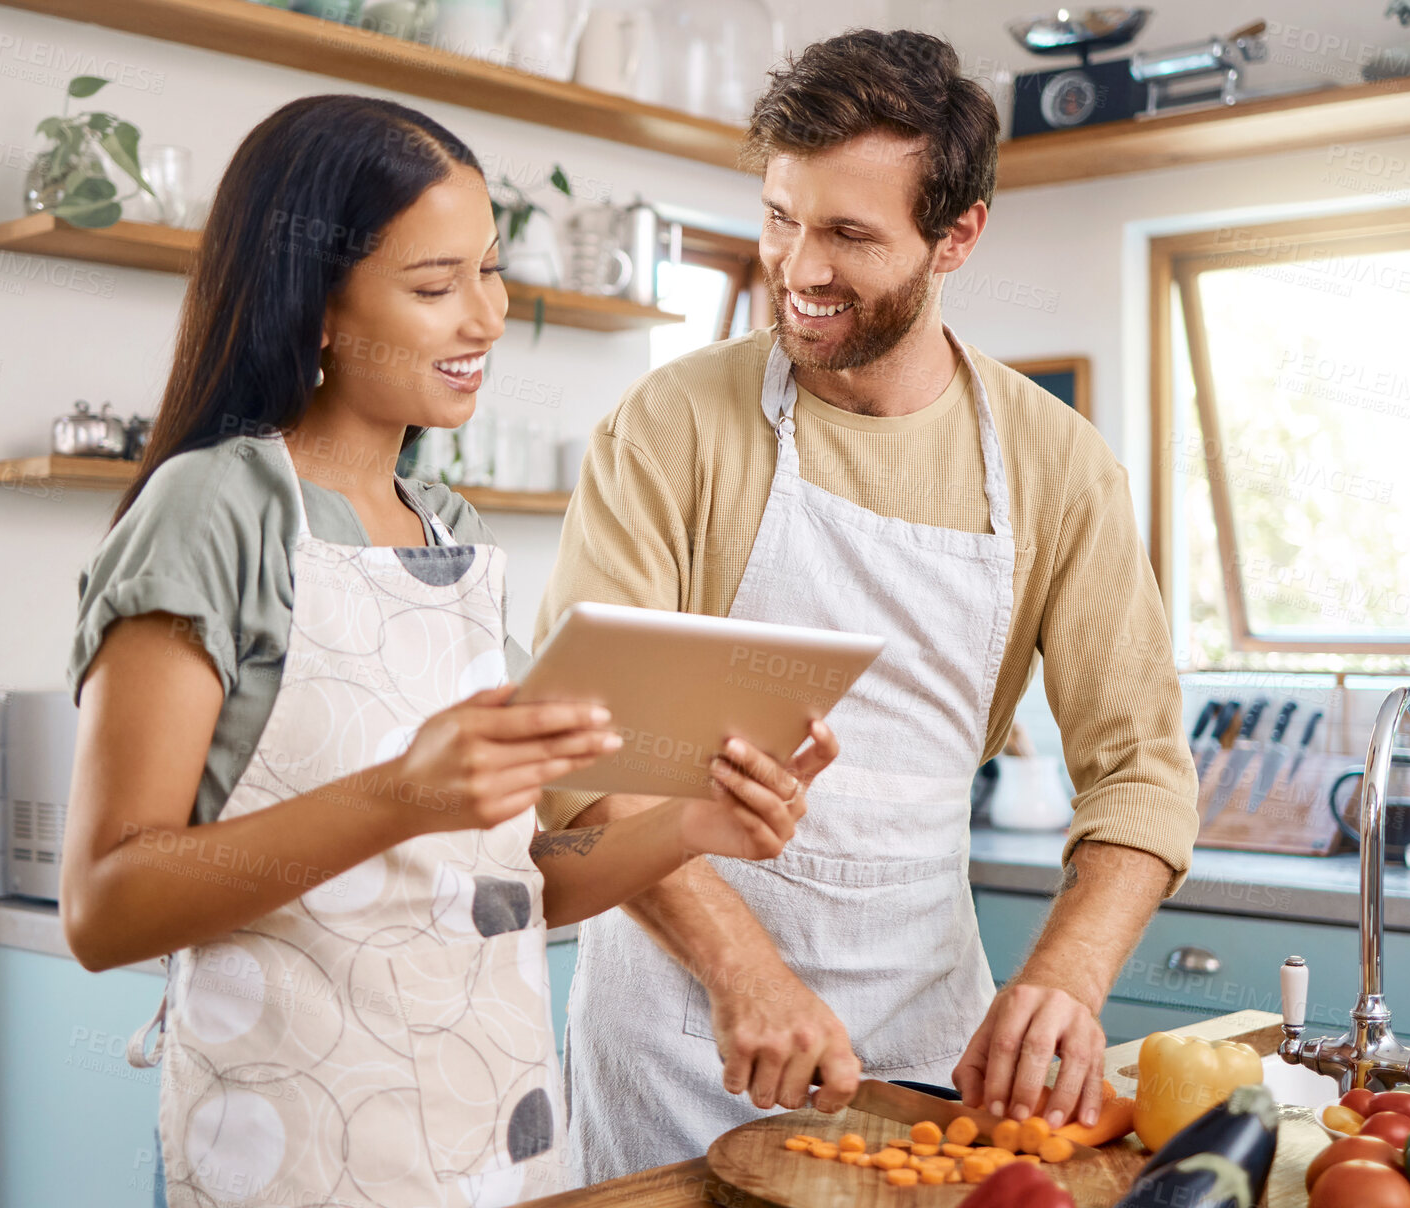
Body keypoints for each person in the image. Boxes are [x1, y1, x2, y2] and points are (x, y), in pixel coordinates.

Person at [60, 94, 838, 1208]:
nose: (485, 318)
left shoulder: (449, 533)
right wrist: (399, 794)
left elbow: (506, 885)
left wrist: (692, 824)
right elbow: (103, 904)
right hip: (293, 1158)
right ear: (315, 306)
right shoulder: (214, 510)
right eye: (434, 286)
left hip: (493, 1152)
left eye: (489, 270)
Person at [535, 29, 1201, 1183]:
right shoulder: (672, 426)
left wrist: (1064, 979)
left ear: (957, 236)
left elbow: (1140, 771)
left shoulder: (1056, 464)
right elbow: (584, 761)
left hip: (925, 1042)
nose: (797, 266)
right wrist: (742, 966)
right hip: (676, 1036)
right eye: (781, 217)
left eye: (847, 233)